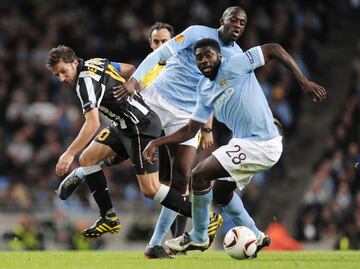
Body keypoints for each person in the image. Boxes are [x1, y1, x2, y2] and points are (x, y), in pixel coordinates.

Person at [143, 38, 326, 254]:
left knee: (199, 175)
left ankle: (200, 235)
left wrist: (303, 81)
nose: (204, 60)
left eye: (208, 55)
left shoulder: (235, 65)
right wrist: (157, 142)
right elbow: (191, 130)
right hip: (245, 142)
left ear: (219, 56)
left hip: (261, 143)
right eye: (199, 57)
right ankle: (256, 236)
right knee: (221, 194)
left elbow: (274, 49)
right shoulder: (204, 89)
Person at [113, 6, 247, 258]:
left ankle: (157, 244)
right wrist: (135, 81)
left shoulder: (235, 57)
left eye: (242, 22)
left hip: (188, 116)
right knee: (136, 167)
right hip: (157, 105)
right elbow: (160, 56)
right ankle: (87, 168)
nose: (237, 25)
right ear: (223, 20)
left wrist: (208, 126)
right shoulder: (193, 35)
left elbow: (217, 91)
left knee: (182, 177)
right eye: (233, 20)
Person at [46, 45, 210, 239]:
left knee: (150, 189)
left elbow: (92, 124)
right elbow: (130, 69)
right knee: (88, 158)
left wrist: (69, 153)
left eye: (63, 71)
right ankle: (108, 217)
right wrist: (132, 91)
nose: (62, 78)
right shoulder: (94, 62)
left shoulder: (85, 83)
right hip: (124, 125)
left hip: (141, 126)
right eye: (57, 75)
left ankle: (206, 218)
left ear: (74, 62)